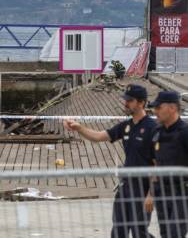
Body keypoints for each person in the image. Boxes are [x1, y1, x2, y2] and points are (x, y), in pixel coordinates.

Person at [64, 84, 156, 238]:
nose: (125, 103)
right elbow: (99, 136)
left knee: (139, 232)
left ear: (141, 103)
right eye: (125, 100)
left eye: (130, 100)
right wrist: (79, 128)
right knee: (118, 230)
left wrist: (151, 194)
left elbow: (158, 164)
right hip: (125, 186)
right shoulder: (126, 126)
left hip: (143, 188)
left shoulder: (153, 128)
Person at [149, 91, 188, 238]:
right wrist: (151, 193)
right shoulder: (157, 132)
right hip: (162, 192)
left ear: (172, 108)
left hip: (182, 193)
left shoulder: (185, 132)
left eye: (159, 107)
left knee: (175, 234)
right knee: (166, 234)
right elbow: (155, 164)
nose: (155, 111)